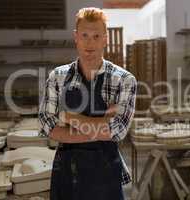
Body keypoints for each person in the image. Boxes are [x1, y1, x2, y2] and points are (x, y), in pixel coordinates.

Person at [38, 7, 137, 200]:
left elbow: (117, 131)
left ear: (105, 38)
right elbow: (47, 126)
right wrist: (100, 128)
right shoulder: (57, 77)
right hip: (67, 173)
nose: (89, 42)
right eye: (84, 35)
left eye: (96, 36)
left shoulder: (124, 80)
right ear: (76, 36)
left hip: (106, 174)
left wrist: (69, 117)